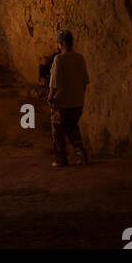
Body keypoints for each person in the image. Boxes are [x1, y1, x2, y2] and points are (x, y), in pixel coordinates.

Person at [47, 29, 89, 167]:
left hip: (62, 103)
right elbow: (84, 82)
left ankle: (61, 160)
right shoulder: (80, 58)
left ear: (60, 44)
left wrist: (50, 98)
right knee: (72, 128)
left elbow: (55, 83)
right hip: (77, 103)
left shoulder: (59, 59)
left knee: (58, 132)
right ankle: (80, 156)